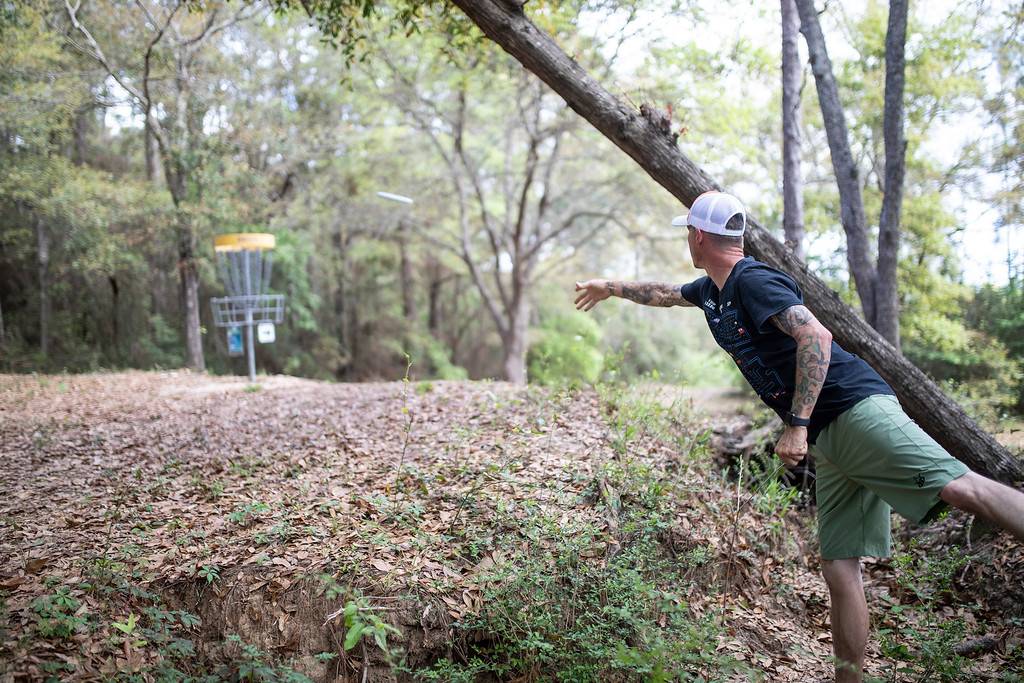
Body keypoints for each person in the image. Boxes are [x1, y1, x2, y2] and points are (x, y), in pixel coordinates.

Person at [573, 190, 1024, 682]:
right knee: (840, 566)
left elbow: (816, 336)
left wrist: (797, 423)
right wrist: (610, 286)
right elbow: (663, 293)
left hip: (854, 410)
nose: (688, 240)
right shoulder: (713, 291)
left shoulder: (752, 280)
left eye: (688, 232)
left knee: (962, 487)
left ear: (698, 236)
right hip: (832, 439)